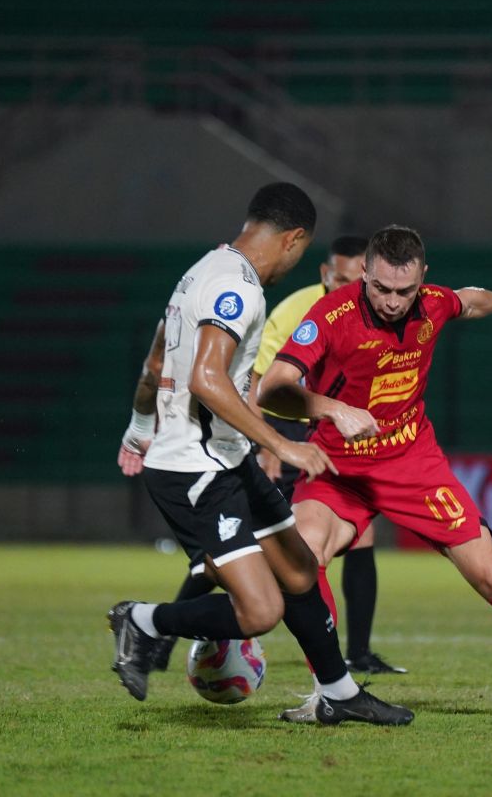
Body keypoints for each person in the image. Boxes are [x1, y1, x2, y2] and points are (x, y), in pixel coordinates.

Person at [258, 224, 492, 722]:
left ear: (422, 279)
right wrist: (331, 407)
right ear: (363, 274)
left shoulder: (431, 302)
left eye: (405, 290)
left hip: (412, 464)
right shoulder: (330, 315)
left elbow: (468, 300)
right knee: (302, 563)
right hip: (340, 466)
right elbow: (273, 387)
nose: (394, 302)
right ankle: (330, 693)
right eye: (381, 289)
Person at [109, 182, 412, 726]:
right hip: (196, 469)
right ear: (295, 240)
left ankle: (339, 693)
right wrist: (281, 443)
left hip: (224, 457)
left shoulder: (201, 271)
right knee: (262, 609)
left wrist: (137, 425)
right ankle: (144, 620)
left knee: (297, 570)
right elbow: (206, 378)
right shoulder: (240, 287)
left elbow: (158, 361)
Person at [154, 236, 408, 676]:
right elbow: (255, 382)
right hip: (282, 430)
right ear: (326, 274)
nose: (351, 286)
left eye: (357, 280)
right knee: (226, 556)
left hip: (327, 433)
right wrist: (265, 446)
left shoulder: (374, 314)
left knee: (359, 538)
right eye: (343, 278)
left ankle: (358, 655)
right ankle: (160, 639)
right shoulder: (297, 310)